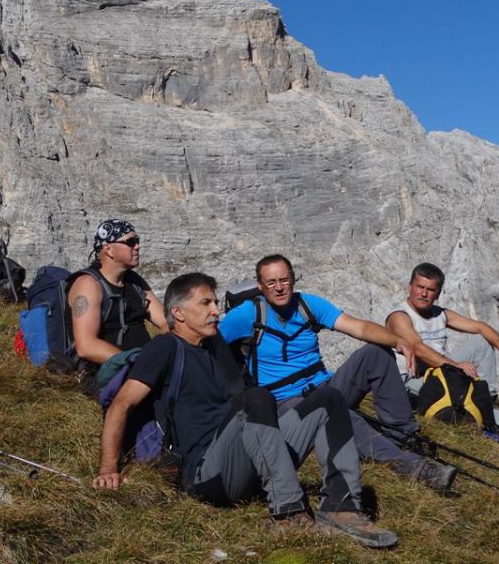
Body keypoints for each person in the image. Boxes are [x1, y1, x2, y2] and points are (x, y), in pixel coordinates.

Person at [93, 272, 398, 548]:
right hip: (206, 473)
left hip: (249, 459)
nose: (216, 310)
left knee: (329, 399)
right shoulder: (165, 348)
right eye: (206, 303)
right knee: (257, 399)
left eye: (215, 302)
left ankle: (342, 508)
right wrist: (109, 469)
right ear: (178, 313)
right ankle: (289, 514)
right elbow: (122, 404)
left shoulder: (216, 348)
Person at [219, 254, 456, 491]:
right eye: (271, 282)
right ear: (260, 286)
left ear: (293, 279)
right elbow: (210, 345)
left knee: (376, 353)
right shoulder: (244, 316)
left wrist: (398, 341)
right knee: (338, 412)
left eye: (284, 280)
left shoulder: (308, 305)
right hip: (285, 402)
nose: (279, 288)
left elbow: (358, 327)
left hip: (324, 385)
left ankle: (405, 437)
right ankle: (412, 467)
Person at [386, 262, 499, 442]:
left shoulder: (440, 314)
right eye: (419, 287)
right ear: (410, 287)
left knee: (481, 341)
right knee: (458, 395)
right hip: (410, 380)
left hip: (439, 372)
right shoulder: (399, 316)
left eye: (430, 289)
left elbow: (481, 327)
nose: (423, 293)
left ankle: (486, 399)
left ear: (437, 293)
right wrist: (456, 366)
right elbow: (418, 349)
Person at [68, 219, 166, 374]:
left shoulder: (134, 282)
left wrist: (161, 353)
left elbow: (167, 322)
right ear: (109, 249)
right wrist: (134, 362)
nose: (137, 246)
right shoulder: (87, 285)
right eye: (131, 242)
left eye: (137, 241)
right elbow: (86, 346)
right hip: (109, 372)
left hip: (144, 368)